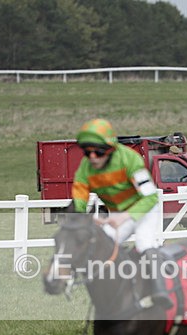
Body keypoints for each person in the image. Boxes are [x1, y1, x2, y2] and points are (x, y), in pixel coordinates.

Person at [71, 118, 172, 310]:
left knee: (144, 243)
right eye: (87, 151)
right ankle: (107, 297)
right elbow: (79, 194)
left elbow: (150, 198)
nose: (92, 157)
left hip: (145, 209)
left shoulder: (129, 159)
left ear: (110, 149)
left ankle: (161, 292)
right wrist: (80, 217)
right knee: (101, 245)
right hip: (117, 214)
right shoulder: (86, 167)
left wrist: (124, 216)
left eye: (98, 151)